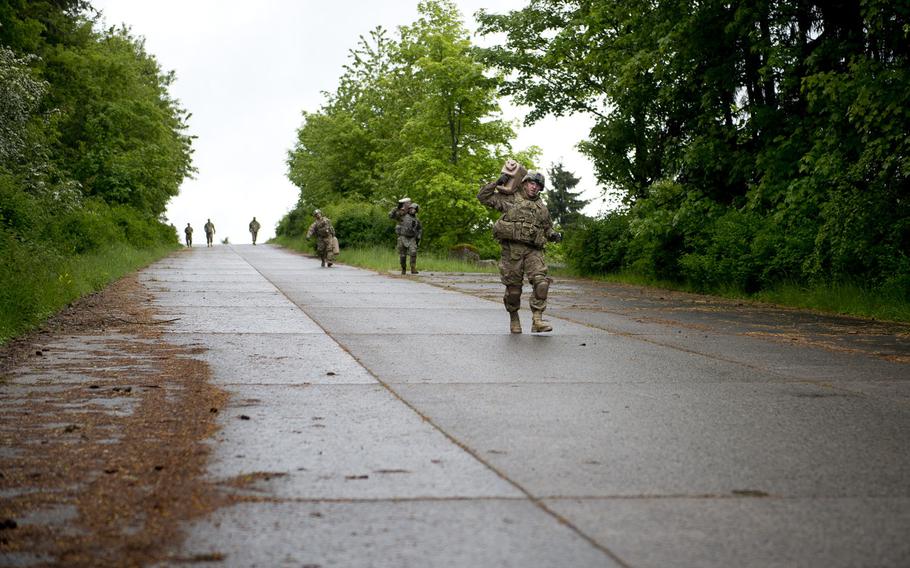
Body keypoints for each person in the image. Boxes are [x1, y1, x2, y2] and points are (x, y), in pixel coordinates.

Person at [478, 170, 562, 334]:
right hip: (512, 251)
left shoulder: (542, 208)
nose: (534, 187)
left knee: (542, 283)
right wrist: (497, 183)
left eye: (538, 185)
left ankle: (537, 320)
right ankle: (514, 317)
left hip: (533, 251)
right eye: (532, 183)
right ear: (524, 183)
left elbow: (547, 229)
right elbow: (482, 197)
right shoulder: (509, 199)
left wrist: (555, 235)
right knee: (513, 291)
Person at [396, 202, 422, 275]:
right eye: (411, 208)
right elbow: (393, 215)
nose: (412, 210)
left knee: (413, 252)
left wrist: (419, 235)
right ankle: (403, 268)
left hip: (412, 238)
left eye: (414, 209)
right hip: (403, 237)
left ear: (416, 210)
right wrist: (398, 207)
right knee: (402, 255)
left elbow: (420, 229)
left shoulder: (417, 220)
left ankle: (413, 268)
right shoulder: (403, 216)